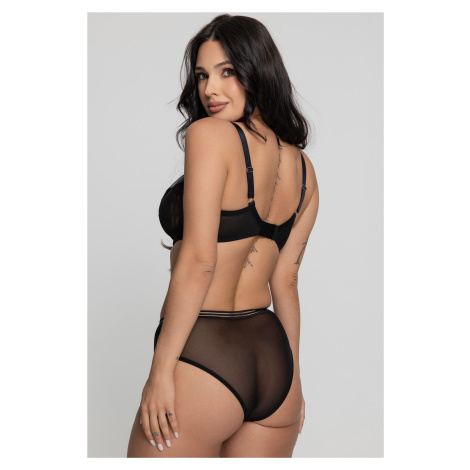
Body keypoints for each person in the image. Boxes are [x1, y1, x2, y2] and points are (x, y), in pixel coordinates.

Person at [127, 13, 319, 458]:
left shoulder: (210, 135)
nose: (210, 89)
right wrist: (293, 379)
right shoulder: (305, 170)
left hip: (205, 356)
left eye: (227, 72)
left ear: (257, 71)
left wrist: (160, 373)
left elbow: (200, 261)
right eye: (202, 76)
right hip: (275, 365)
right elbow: (286, 281)